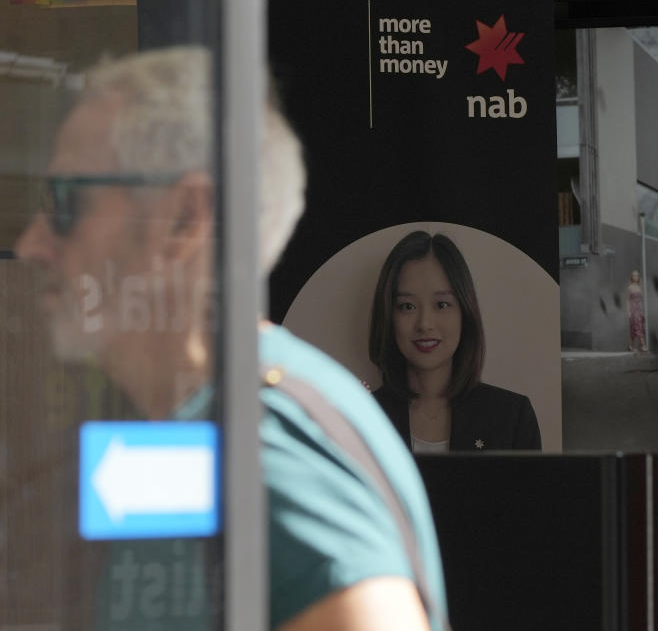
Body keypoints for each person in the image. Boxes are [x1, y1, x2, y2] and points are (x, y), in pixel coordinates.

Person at [14, 46, 446, 631]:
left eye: (66, 204)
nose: (31, 244)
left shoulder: (267, 449)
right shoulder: (191, 425)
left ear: (186, 219)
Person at [368, 231, 542, 452]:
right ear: (388, 317)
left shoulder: (512, 417)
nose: (425, 323)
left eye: (441, 304)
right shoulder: (354, 420)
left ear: (465, 313)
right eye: (407, 306)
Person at [627, 269, 647, 352]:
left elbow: (641, 300)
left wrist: (643, 311)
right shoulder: (629, 288)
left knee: (635, 328)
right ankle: (643, 345)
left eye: (637, 275)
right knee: (638, 327)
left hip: (639, 309)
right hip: (633, 309)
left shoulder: (639, 287)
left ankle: (630, 345)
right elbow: (627, 300)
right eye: (634, 275)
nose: (636, 277)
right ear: (631, 277)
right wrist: (628, 311)